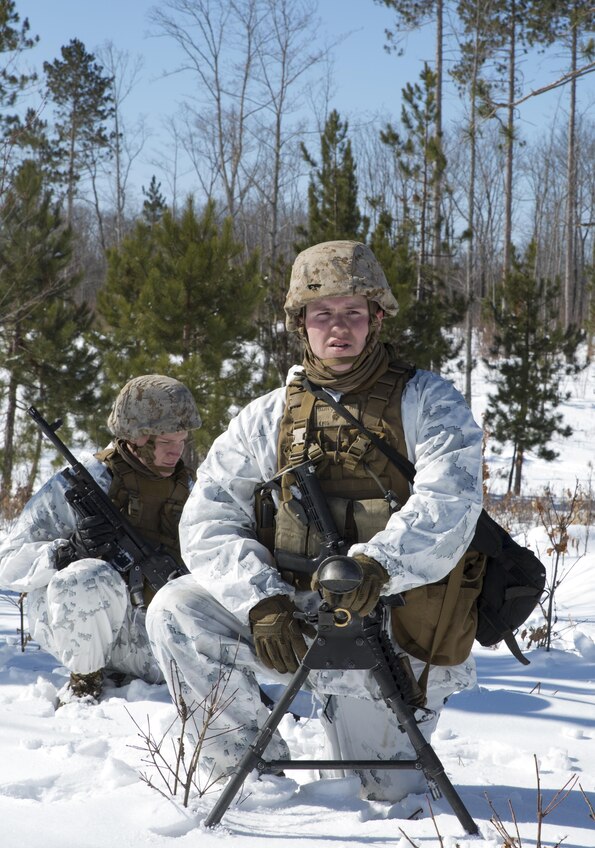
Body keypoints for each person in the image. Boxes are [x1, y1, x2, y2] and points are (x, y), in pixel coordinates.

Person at [146, 241, 484, 803]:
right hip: (296, 610)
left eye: (353, 312)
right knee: (177, 609)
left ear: (376, 318)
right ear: (300, 324)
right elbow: (208, 519)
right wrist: (261, 599)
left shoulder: (429, 401)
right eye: (321, 314)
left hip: (391, 620)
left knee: (383, 795)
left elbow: (450, 503)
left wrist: (377, 565)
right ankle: (252, 780)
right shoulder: (268, 415)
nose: (338, 328)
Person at [0, 374, 201, 702]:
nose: (176, 452)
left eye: (182, 441)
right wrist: (67, 551)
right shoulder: (86, 483)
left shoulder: (193, 489)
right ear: (137, 437)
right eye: (167, 442)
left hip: (158, 635)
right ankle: (85, 687)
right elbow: (7, 565)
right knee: (86, 576)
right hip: (81, 628)